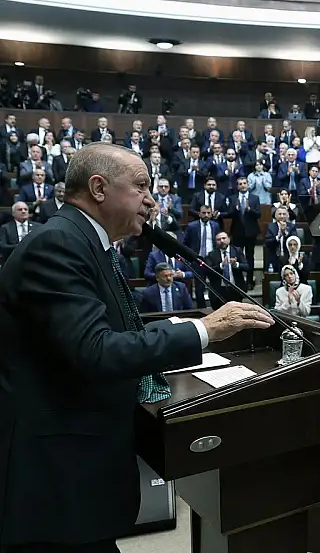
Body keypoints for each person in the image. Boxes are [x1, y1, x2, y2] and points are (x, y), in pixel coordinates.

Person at [0, 143, 271, 551]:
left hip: (79, 469)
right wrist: (203, 330)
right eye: (141, 187)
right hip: (55, 478)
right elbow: (95, 350)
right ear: (99, 188)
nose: (151, 200)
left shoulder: (88, 243)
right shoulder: (57, 244)